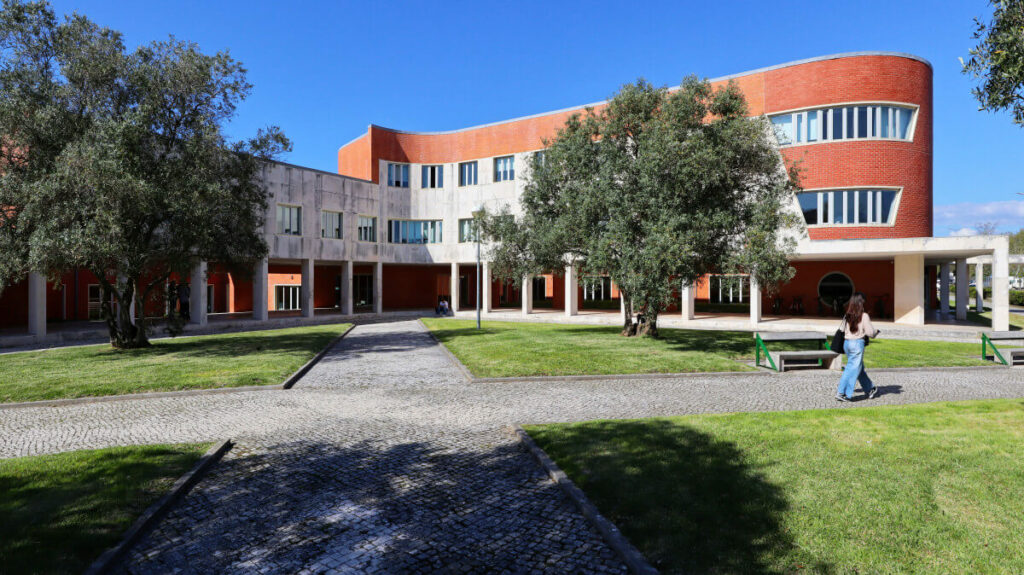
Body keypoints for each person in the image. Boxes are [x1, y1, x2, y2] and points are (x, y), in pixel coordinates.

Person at [836, 292, 880, 402]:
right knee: (851, 368)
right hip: (857, 344)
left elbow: (842, 329)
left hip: (847, 343)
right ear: (861, 303)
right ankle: (842, 393)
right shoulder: (864, 316)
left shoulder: (847, 315)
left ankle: (870, 388)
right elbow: (870, 333)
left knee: (858, 367)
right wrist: (876, 332)